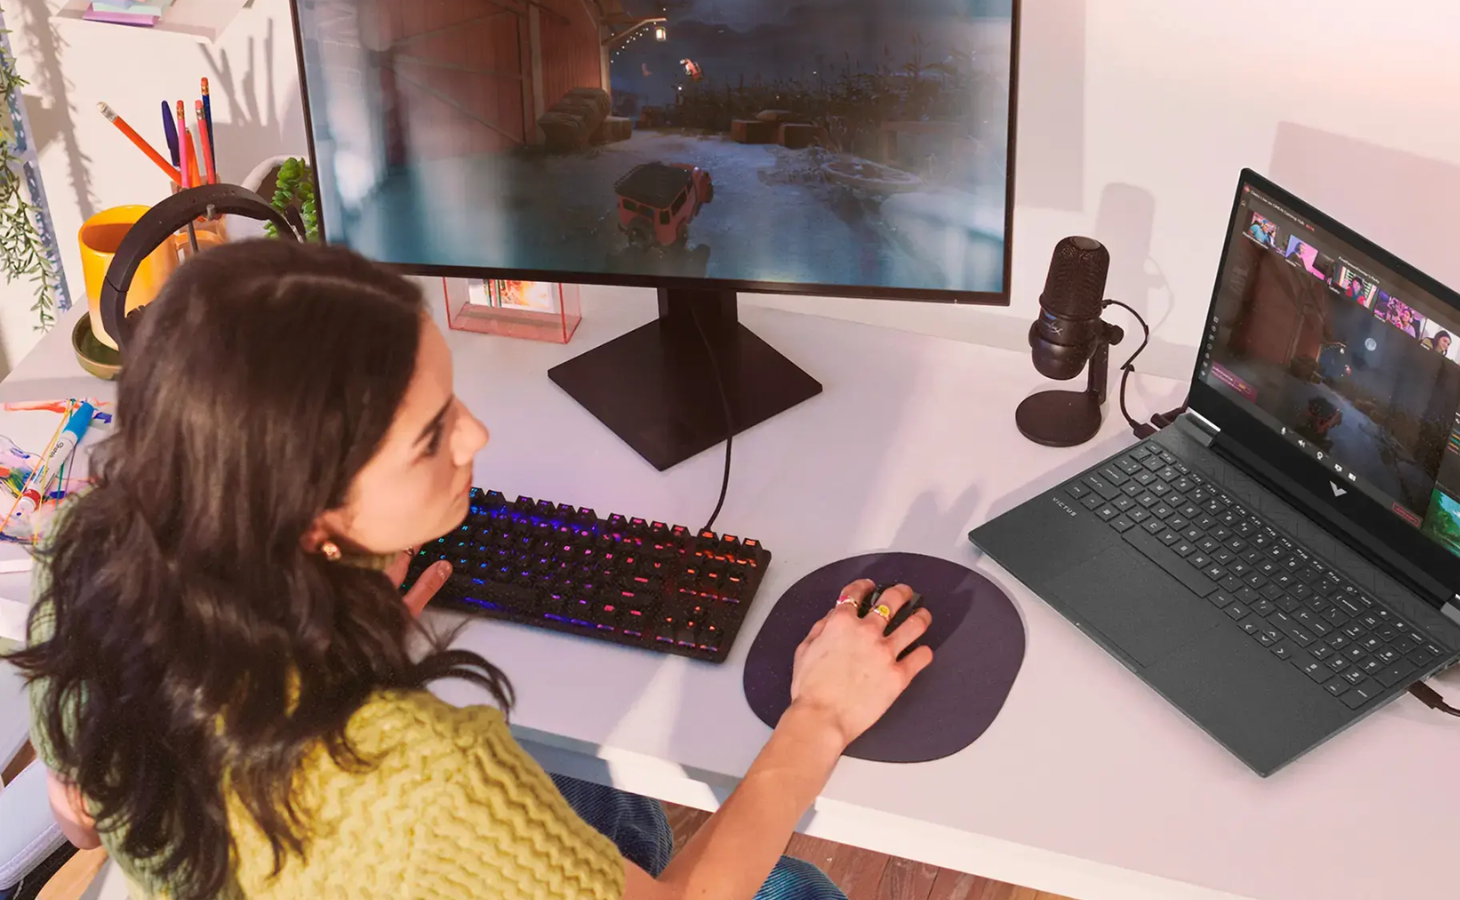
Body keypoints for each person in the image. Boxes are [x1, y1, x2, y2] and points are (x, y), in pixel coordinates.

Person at [5, 240, 935, 900]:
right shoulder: (426, 780)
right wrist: (820, 713)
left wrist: (340, 623)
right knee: (794, 887)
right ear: (307, 520)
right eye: (430, 437)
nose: (478, 436)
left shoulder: (79, 578)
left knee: (607, 810)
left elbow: (81, 812)